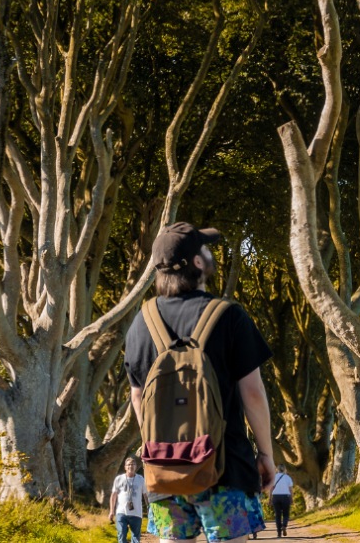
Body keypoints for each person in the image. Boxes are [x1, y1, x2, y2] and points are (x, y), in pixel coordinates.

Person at [128, 222, 277, 543]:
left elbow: (138, 397)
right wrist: (266, 454)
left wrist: (158, 448)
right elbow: (252, 393)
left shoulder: (141, 323)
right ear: (197, 262)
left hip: (165, 470)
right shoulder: (229, 316)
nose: (210, 253)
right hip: (225, 468)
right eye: (204, 248)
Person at [112, 458, 148, 543]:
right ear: (125, 467)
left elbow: (145, 494)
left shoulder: (141, 479)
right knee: (121, 535)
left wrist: (149, 507)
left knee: (136, 537)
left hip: (136, 513)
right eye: (128, 464)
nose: (130, 466)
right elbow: (113, 495)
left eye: (133, 464)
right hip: (121, 512)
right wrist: (111, 511)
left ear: (136, 467)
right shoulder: (119, 479)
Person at [268, 470, 293, 537]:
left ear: (277, 470)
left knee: (278, 515)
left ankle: (279, 532)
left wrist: (270, 499)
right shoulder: (288, 477)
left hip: (276, 497)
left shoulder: (273, 477)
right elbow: (290, 489)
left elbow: (271, 489)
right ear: (284, 470)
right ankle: (284, 525)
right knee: (286, 514)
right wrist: (291, 499)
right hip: (285, 497)